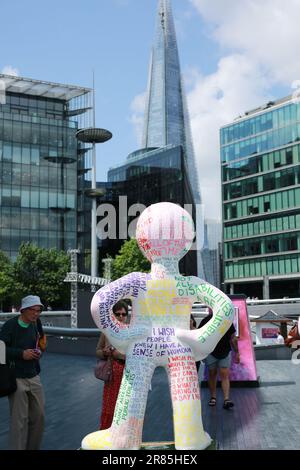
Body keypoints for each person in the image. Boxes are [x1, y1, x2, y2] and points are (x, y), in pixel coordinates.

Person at [0, 295, 45, 449]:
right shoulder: (10, 326)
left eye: (39, 311)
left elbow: (38, 343)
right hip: (15, 377)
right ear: (24, 310)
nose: (37, 314)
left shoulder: (35, 324)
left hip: (33, 375)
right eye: (34, 310)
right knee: (19, 420)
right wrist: (21, 354)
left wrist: (38, 352)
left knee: (39, 417)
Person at [96, 300, 128, 430]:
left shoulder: (132, 332)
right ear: (112, 315)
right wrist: (104, 352)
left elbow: (138, 356)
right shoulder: (106, 332)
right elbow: (97, 351)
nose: (121, 317)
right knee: (110, 407)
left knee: (125, 408)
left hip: (127, 376)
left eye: (124, 314)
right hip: (111, 376)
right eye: (118, 314)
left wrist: (117, 354)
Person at [199, 310, 240, 410]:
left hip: (224, 351)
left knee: (223, 374)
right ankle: (213, 397)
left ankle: (226, 399)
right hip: (210, 352)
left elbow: (233, 338)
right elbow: (200, 336)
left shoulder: (226, 321)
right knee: (212, 374)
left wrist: (237, 352)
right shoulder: (206, 320)